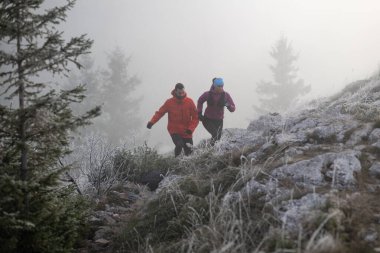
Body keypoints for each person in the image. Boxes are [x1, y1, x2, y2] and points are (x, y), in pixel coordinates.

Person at [147, 83, 199, 157]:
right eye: (179, 93)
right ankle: (176, 160)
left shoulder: (190, 102)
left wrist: (191, 129)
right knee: (179, 145)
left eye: (182, 92)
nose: (181, 94)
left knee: (189, 152)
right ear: (175, 91)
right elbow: (160, 113)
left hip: (187, 131)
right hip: (174, 130)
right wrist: (152, 122)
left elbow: (195, 117)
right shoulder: (169, 102)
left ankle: (186, 165)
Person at [197, 77, 235, 145]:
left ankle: (210, 151)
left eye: (222, 86)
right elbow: (200, 101)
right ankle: (209, 151)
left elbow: (233, 108)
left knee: (218, 138)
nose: (220, 88)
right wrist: (199, 113)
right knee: (215, 135)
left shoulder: (226, 95)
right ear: (214, 86)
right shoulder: (207, 94)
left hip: (219, 120)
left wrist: (228, 105)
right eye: (219, 86)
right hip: (207, 119)